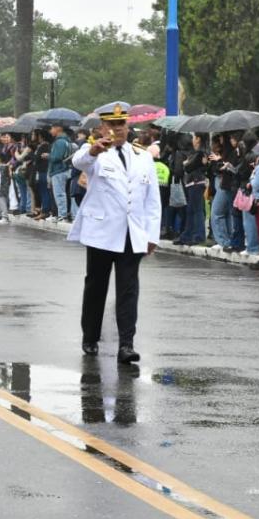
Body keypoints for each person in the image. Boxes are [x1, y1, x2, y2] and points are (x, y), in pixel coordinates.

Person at [69, 102, 161, 365]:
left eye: (121, 124)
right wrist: (94, 150)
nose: (117, 129)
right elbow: (79, 162)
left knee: (129, 289)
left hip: (132, 233)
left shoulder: (142, 155)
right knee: (96, 287)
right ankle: (90, 336)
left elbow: (152, 199)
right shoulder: (95, 152)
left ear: (128, 126)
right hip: (101, 232)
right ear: (102, 127)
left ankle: (127, 344)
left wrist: (151, 235)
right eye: (112, 125)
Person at [47, 122, 75, 222]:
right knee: (64, 193)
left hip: (59, 170)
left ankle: (62, 215)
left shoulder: (60, 142)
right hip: (65, 169)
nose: (50, 131)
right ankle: (63, 214)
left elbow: (57, 157)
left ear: (58, 128)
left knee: (59, 194)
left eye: (52, 128)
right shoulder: (66, 141)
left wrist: (48, 156)